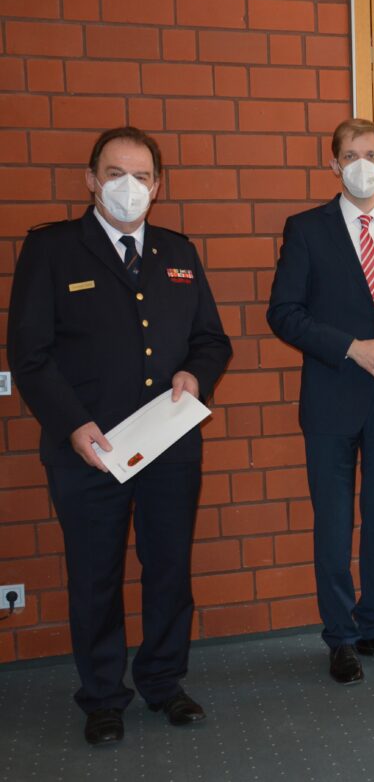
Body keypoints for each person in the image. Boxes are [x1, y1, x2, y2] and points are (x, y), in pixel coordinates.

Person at [7, 127, 232, 745]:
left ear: (158, 186)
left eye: (141, 175)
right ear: (91, 179)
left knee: (169, 571)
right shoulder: (52, 250)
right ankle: (103, 696)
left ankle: (163, 682)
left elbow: (212, 340)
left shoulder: (178, 251)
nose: (128, 186)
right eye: (114, 173)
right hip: (89, 450)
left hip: (169, 447)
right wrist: (72, 426)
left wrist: (195, 374)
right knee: (95, 577)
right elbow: (29, 354)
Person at [267, 118, 374, 686]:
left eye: (371, 154)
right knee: (334, 525)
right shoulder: (307, 229)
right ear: (333, 164)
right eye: (350, 155)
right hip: (332, 398)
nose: (362, 164)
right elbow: (284, 313)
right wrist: (351, 348)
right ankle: (340, 637)